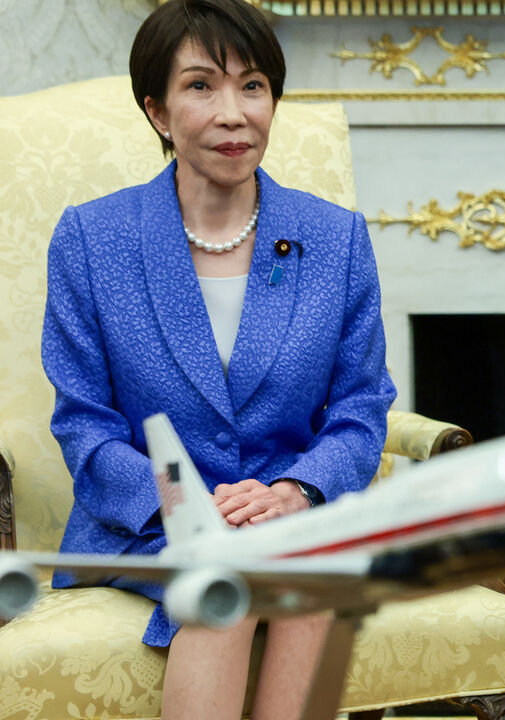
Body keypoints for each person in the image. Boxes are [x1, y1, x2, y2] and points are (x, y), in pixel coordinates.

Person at [41, 0, 396, 717]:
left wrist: (295, 491)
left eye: (254, 85)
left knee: (305, 573)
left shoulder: (336, 240)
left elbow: (361, 409)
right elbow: (84, 425)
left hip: (289, 517)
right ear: (158, 112)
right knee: (226, 576)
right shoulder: (93, 239)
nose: (234, 112)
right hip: (149, 525)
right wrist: (185, 505)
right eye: (202, 86)